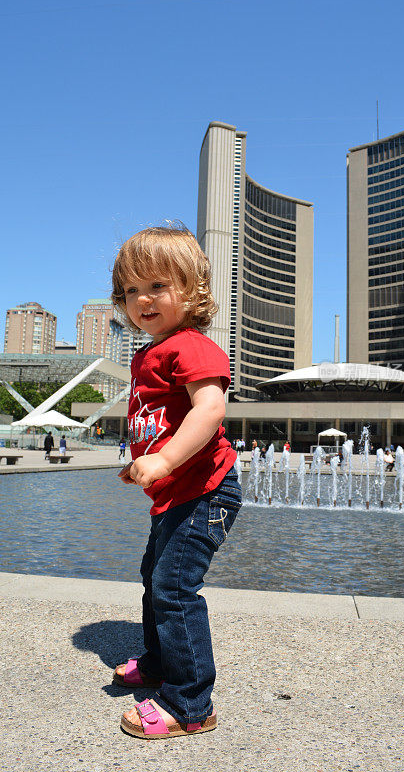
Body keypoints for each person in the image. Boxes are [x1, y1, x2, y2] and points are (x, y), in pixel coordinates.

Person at [111, 225, 241, 740]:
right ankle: (161, 663)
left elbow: (209, 410)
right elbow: (158, 420)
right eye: (130, 291)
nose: (141, 299)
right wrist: (143, 461)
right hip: (173, 495)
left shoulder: (193, 347)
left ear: (192, 291)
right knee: (154, 578)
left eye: (157, 286)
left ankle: (190, 704)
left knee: (175, 588)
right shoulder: (148, 353)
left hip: (205, 490)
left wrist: (164, 460)